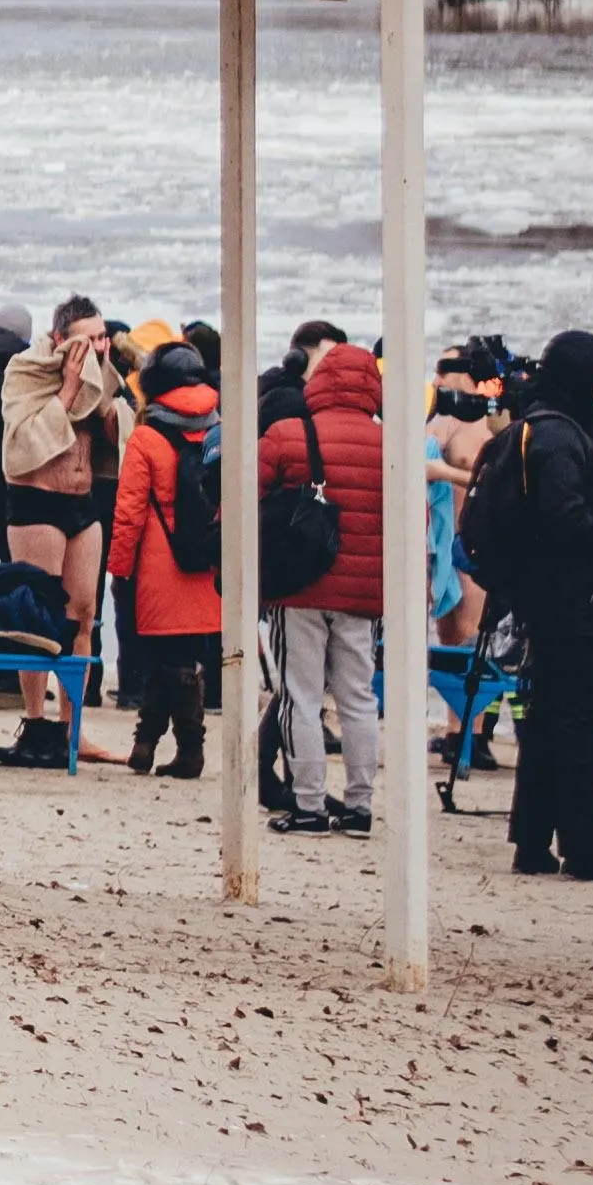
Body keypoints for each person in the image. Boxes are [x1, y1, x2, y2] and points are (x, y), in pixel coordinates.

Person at [477, 328, 593, 886]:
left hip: (549, 598)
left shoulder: (539, 428)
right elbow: (563, 521)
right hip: (573, 602)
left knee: (545, 724)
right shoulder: (559, 438)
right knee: (577, 726)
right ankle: (586, 851)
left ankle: (533, 844)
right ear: (581, 381)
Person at [252, 334, 391, 836]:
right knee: (358, 698)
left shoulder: (290, 434)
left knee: (300, 695)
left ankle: (308, 805)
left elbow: (248, 495)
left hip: (300, 588)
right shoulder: (391, 443)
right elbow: (410, 521)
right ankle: (359, 807)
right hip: (363, 595)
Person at [110, 337, 224, 775]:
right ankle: (153, 745)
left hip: (159, 563)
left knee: (165, 659)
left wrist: (120, 569)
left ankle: (182, 749)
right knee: (181, 661)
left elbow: (129, 514)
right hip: (206, 562)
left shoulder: (146, 437)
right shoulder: (218, 429)